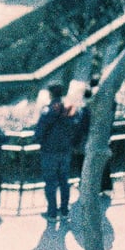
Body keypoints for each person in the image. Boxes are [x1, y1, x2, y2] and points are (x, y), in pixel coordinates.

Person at [34, 82, 77, 221]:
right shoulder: (68, 109)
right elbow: (75, 127)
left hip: (49, 152)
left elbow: (39, 131)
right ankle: (64, 211)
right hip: (65, 151)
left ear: (50, 93)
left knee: (50, 182)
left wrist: (39, 141)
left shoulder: (48, 110)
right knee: (64, 181)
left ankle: (52, 212)